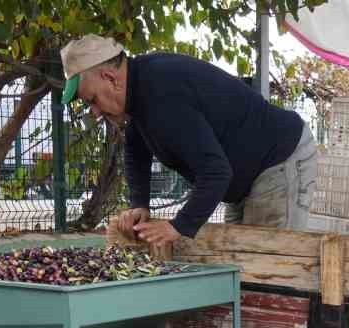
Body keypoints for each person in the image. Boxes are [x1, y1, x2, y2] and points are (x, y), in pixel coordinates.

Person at [60, 35, 317, 252]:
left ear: (110, 78)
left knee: (267, 265)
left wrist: (178, 226)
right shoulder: (140, 89)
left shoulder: (162, 93)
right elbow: (135, 151)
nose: (94, 111)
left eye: (92, 99)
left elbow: (216, 173)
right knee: (237, 263)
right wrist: (140, 204)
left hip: (278, 162)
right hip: (245, 178)